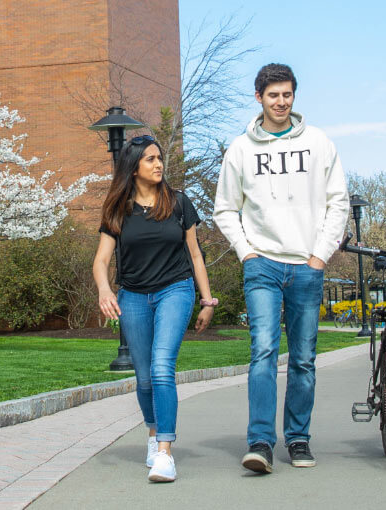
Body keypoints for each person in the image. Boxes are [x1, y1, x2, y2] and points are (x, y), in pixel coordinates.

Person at [212, 63, 350, 473]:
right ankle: (260, 441)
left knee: (304, 358)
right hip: (263, 266)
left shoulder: (319, 143)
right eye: (273, 95)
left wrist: (320, 254)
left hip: (307, 265)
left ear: (294, 96)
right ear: (259, 98)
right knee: (264, 352)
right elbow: (225, 208)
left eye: (287, 94)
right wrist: (246, 252)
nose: (281, 102)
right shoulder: (241, 149)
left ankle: (299, 437)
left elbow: (337, 202)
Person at [92, 134, 217, 483]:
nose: (158, 163)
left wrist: (207, 301)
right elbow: (101, 260)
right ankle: (153, 432)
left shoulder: (178, 203)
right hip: (133, 296)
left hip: (175, 290)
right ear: (133, 168)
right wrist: (104, 289)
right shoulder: (118, 209)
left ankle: (165, 452)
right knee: (144, 377)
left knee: (162, 368)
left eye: (159, 157)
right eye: (149, 159)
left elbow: (195, 255)